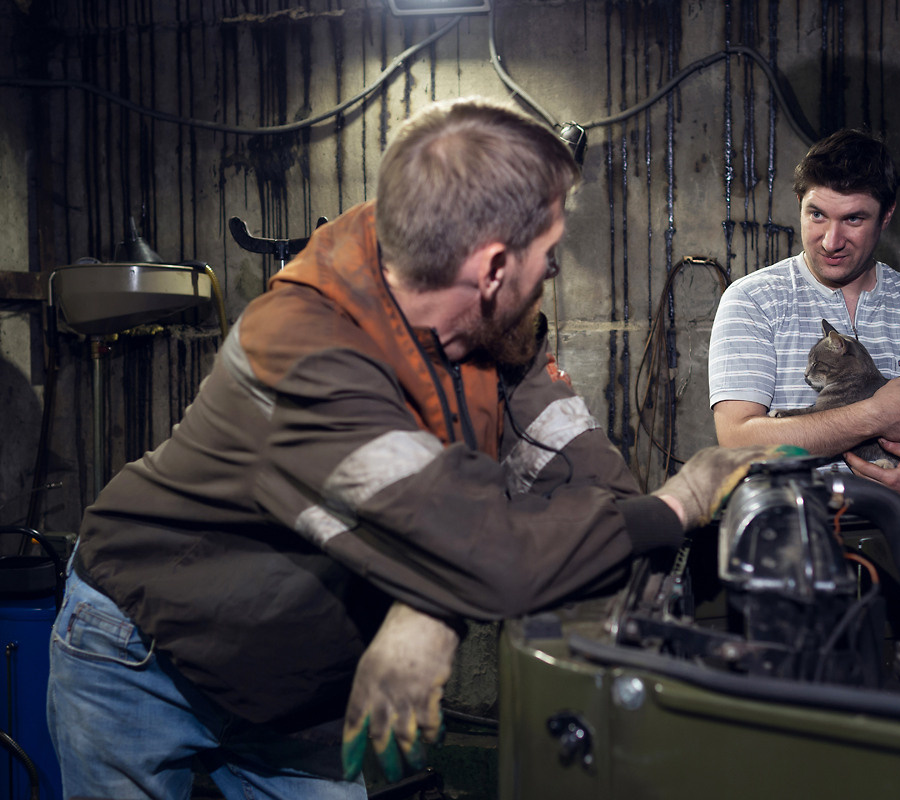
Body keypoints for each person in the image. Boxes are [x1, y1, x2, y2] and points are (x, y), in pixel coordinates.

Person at [47, 97, 782, 800]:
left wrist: (429, 605)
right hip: (143, 652)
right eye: (550, 253)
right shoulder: (301, 355)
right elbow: (488, 555)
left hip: (294, 693)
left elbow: (578, 473)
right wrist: (681, 499)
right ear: (493, 265)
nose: (554, 271)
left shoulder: (491, 323)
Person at [709, 128, 900, 503]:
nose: (831, 241)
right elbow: (739, 439)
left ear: (886, 217)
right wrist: (876, 416)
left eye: (853, 219)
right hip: (791, 536)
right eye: (816, 214)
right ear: (799, 204)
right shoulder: (753, 300)